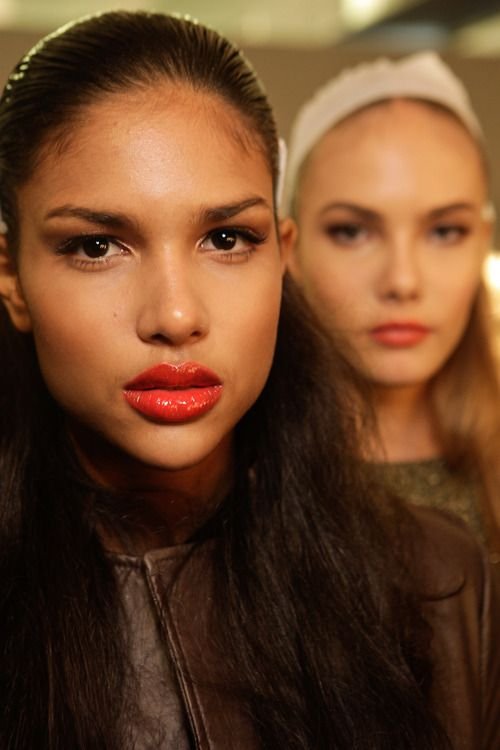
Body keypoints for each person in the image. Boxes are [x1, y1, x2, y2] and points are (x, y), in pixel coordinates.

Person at [0, 15, 498, 749]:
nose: (175, 314)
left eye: (227, 239)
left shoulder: (438, 582)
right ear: (11, 277)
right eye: (98, 245)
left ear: (282, 256)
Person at [283, 52, 500, 553]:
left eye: (445, 231)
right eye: (352, 231)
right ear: (290, 249)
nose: (402, 281)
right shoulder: (226, 484)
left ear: (483, 243)